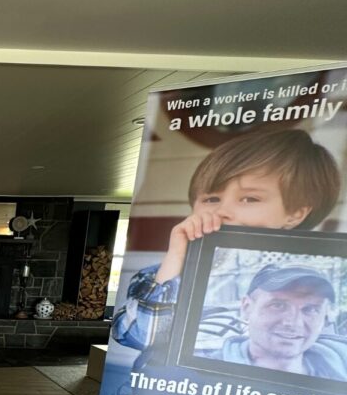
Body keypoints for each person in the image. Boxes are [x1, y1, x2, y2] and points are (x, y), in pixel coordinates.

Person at [113, 129, 340, 351]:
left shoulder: (314, 284)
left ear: (296, 214)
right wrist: (176, 258)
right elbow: (139, 337)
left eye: (250, 199)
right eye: (211, 198)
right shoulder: (162, 275)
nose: (223, 210)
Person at [196, 265, 347, 379]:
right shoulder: (202, 375)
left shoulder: (339, 368)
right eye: (278, 305)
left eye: (310, 309)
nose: (294, 323)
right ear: (247, 308)